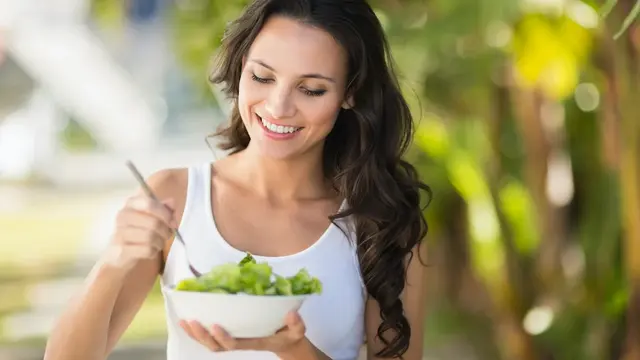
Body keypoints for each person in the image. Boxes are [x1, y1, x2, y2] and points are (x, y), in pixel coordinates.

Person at [43, 0, 431, 359]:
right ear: (242, 66)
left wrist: (295, 350)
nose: (278, 107)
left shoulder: (382, 221)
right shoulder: (176, 197)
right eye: (262, 77)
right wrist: (113, 261)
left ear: (350, 94)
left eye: (311, 89)